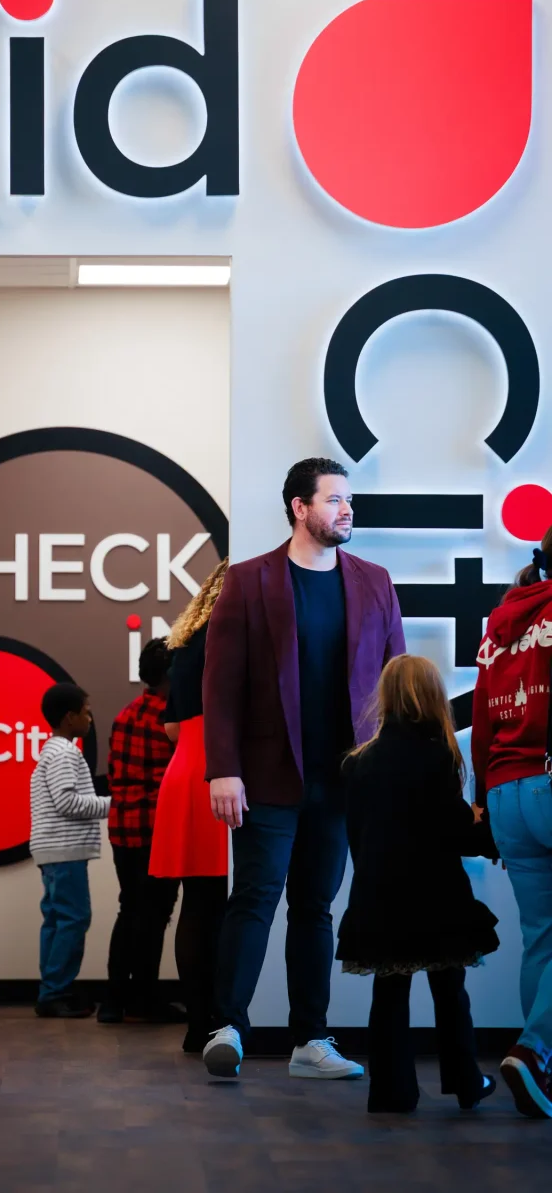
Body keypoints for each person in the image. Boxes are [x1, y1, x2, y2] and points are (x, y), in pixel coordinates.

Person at [202, 457, 405, 1081]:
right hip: (265, 773)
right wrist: (223, 769)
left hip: (343, 777)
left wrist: (392, 769)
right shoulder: (248, 581)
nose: (347, 510)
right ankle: (228, 1027)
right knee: (255, 898)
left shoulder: (374, 581)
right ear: (300, 507)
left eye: (349, 501)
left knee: (315, 907)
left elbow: (394, 680)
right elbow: (221, 684)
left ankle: (309, 1040)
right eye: (334, 499)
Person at [338, 654, 499, 1113]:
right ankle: (467, 1081)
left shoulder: (358, 764)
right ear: (433, 697)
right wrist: (480, 825)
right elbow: (452, 832)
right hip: (435, 897)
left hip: (378, 897)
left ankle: (390, 1091)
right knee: (450, 991)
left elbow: (359, 837)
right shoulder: (439, 755)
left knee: (388, 993)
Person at [472, 529, 552, 1119]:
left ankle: (541, 1069)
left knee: (542, 937)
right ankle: (533, 1049)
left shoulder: (502, 621)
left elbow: (480, 716)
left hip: (504, 790)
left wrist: (482, 798)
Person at [149, 560, 230, 1052]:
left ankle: (198, 1025)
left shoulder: (184, 644)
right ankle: (222, 1021)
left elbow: (172, 728)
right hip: (221, 773)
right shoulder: (231, 639)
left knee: (197, 908)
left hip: (186, 772)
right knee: (222, 909)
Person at [98, 639, 182, 1025]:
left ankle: (114, 1001)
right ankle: (146, 999)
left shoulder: (125, 713)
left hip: (122, 827)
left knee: (129, 908)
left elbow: (115, 776)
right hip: (157, 828)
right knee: (156, 914)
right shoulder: (174, 719)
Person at [31, 683, 110, 1019]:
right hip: (65, 850)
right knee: (75, 918)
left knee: (57, 919)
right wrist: (112, 805)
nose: (90, 718)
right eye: (86, 711)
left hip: (51, 850)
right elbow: (66, 801)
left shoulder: (51, 751)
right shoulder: (65, 753)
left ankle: (52, 988)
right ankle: (55, 991)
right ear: (69, 718)